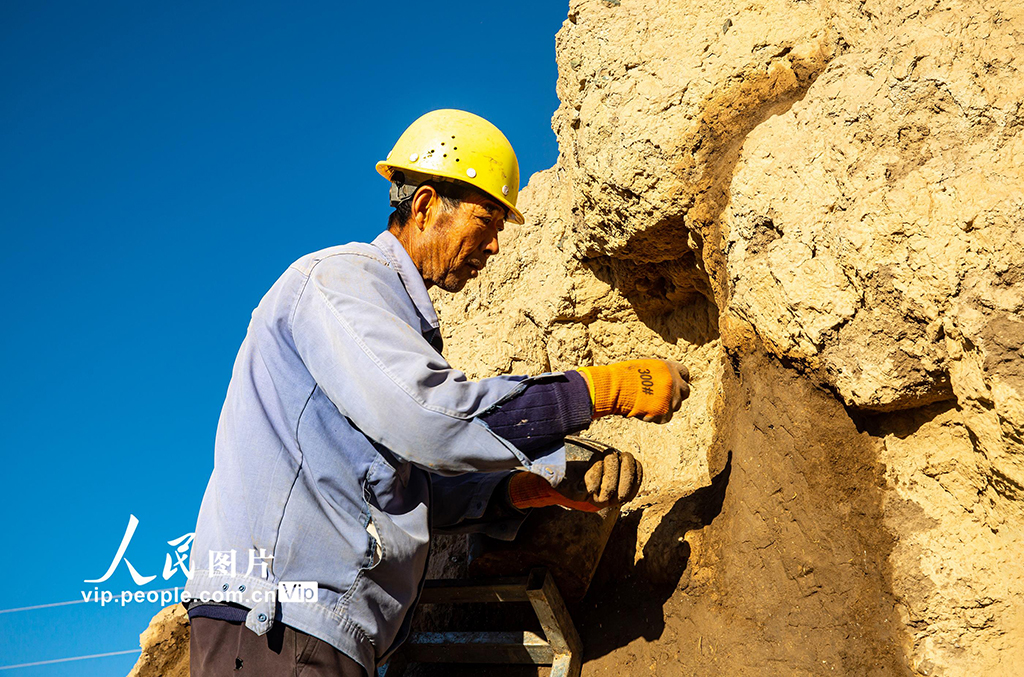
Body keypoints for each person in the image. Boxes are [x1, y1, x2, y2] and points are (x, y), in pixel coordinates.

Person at [183, 109, 691, 676]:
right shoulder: (339, 282)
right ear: (424, 206)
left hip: (316, 631)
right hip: (279, 625)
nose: (495, 247)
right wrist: (598, 389)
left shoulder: (394, 324)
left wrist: (524, 488)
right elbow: (432, 420)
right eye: (487, 221)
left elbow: (404, 489)